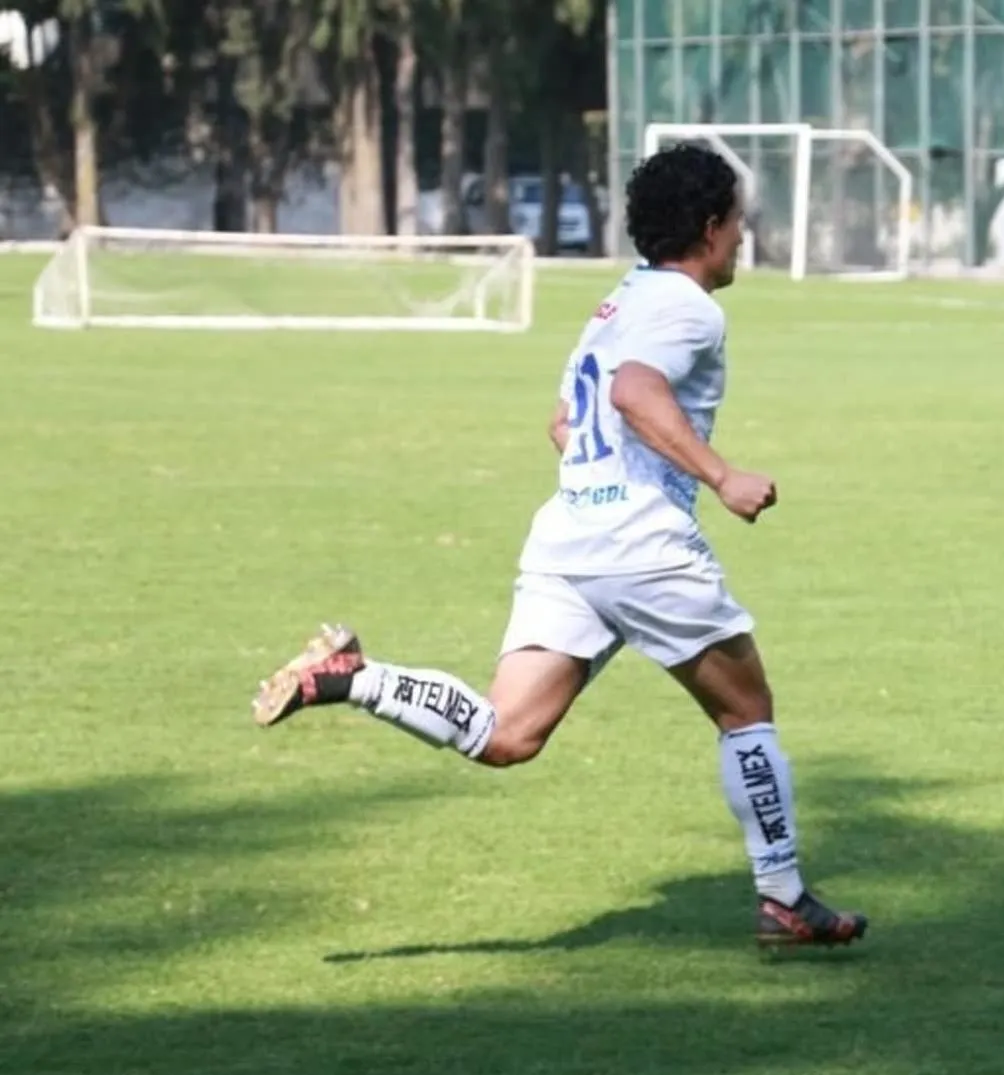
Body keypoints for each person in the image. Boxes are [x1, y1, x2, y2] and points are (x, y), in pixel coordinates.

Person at [248, 143, 867, 950]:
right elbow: (632, 391)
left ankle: (355, 679)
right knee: (746, 712)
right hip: (643, 550)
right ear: (710, 228)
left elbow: (563, 423)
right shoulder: (688, 308)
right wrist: (721, 477)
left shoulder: (619, 301)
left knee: (507, 733)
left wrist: (606, 472)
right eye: (738, 223)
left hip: (569, 539)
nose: (743, 239)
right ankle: (784, 899)